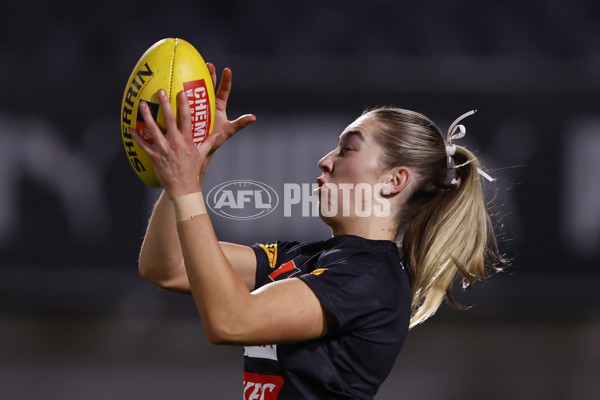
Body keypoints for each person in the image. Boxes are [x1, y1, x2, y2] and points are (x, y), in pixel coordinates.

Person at [131, 63, 507, 399]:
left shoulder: (369, 279)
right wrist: (190, 169)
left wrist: (186, 188)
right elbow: (167, 266)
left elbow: (231, 321)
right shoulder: (309, 259)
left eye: (347, 150)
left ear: (394, 180)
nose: (324, 161)